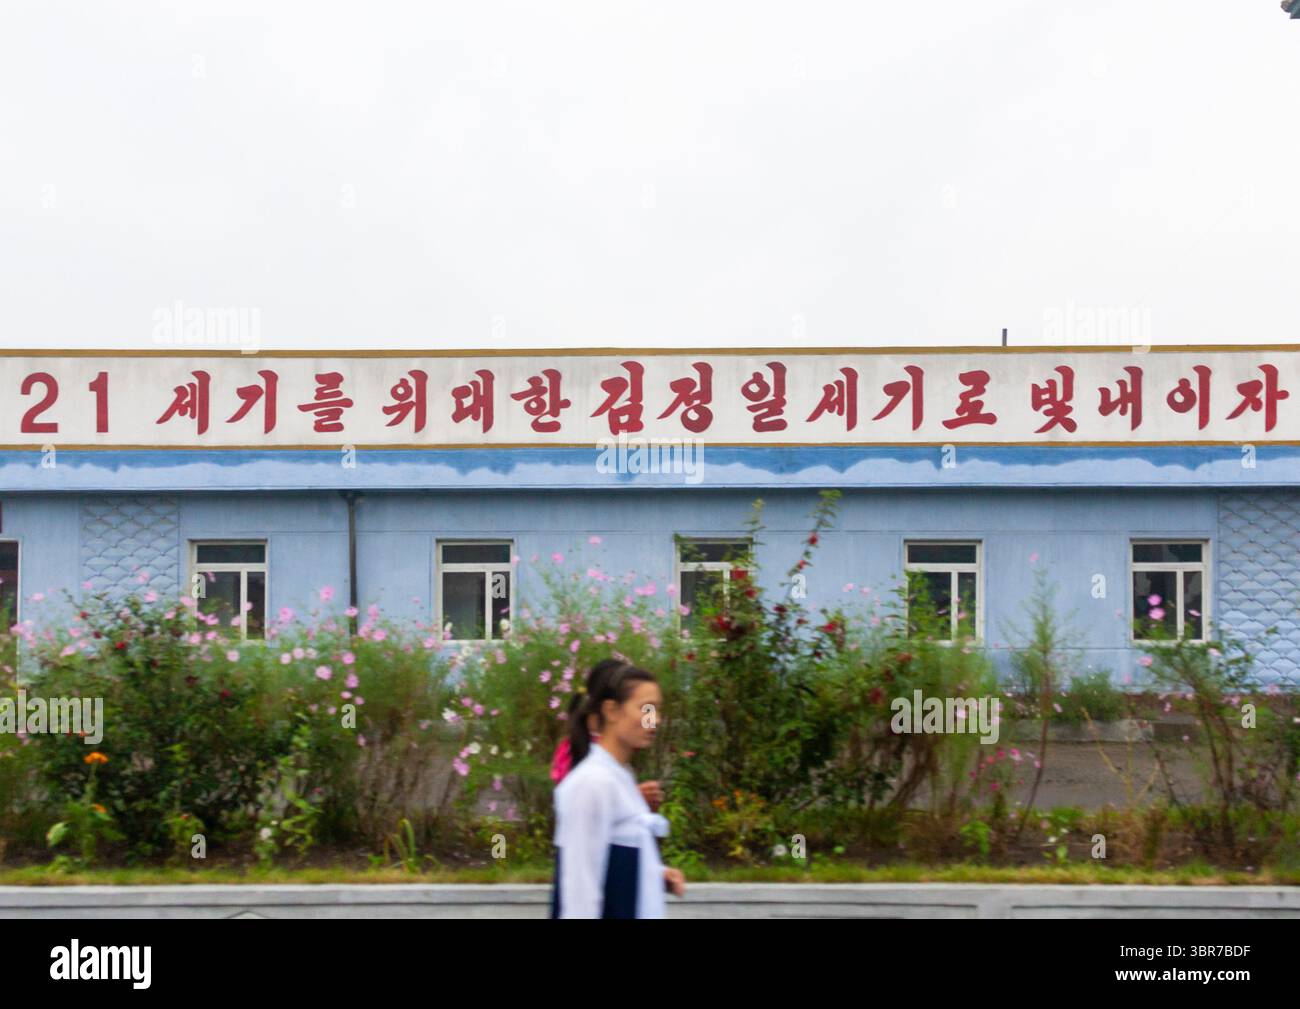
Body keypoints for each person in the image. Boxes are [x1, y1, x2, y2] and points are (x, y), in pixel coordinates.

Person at [550, 659, 686, 918]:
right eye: (646, 709)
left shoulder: (620, 777)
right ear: (611, 711)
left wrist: (656, 874)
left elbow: (612, 859)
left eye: (657, 711)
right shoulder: (592, 783)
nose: (654, 721)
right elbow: (580, 890)